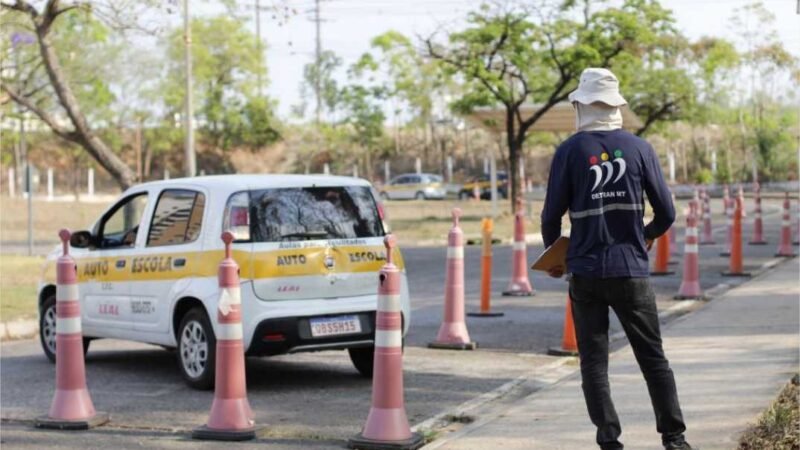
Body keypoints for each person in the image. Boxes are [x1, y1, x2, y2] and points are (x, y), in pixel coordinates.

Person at [540, 68, 693, 450]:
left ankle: (609, 442)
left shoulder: (569, 151)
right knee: (653, 358)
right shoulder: (641, 148)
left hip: (586, 274)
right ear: (617, 106)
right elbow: (667, 214)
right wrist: (644, 235)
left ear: (580, 105)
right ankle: (674, 439)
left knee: (594, 363)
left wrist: (555, 257)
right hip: (631, 271)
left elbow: (550, 216)